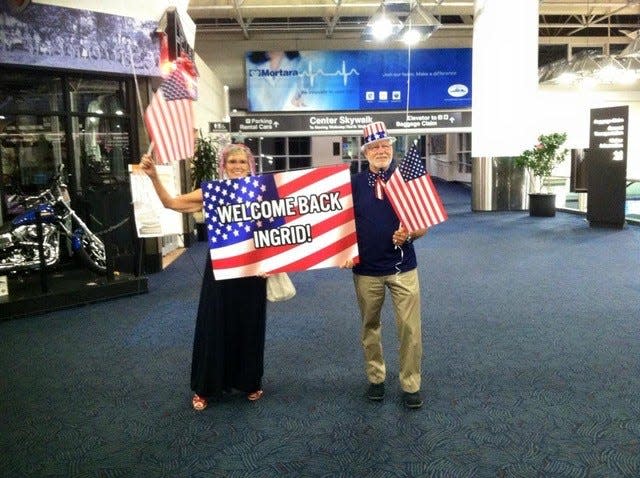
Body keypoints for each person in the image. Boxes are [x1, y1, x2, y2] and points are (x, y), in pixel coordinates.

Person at [140, 143, 267, 411]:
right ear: (224, 165)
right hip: (221, 268)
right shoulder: (213, 192)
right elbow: (171, 202)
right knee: (214, 324)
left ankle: (249, 381)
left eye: (242, 162)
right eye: (232, 162)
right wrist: (153, 177)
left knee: (250, 324)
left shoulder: (261, 192)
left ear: (250, 165)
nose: (237, 166)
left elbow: (276, 227)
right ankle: (206, 387)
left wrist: (273, 263)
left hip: (254, 269)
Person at [342, 122, 428, 409]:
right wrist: (340, 251)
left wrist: (410, 233)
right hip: (366, 270)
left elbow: (423, 224)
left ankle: (411, 383)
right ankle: (376, 378)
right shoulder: (352, 185)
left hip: (403, 267)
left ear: (392, 148)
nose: (381, 151)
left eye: (385, 146)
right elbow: (340, 224)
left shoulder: (407, 179)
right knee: (370, 327)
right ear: (365, 152)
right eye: (375, 147)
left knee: (410, 329)